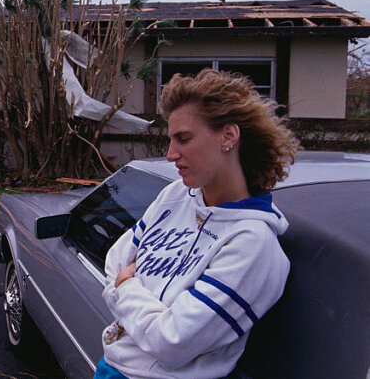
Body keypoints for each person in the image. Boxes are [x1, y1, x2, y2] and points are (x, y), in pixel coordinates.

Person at [96, 68, 299, 379]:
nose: (170, 154)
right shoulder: (177, 195)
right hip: (109, 367)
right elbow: (115, 259)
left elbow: (172, 343)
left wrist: (125, 289)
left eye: (184, 139)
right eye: (171, 139)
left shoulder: (253, 245)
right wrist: (144, 312)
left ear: (228, 136)